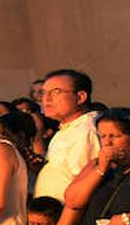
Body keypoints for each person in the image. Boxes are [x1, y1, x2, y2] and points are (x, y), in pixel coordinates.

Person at [35, 69, 100, 201]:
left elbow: (83, 185)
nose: (46, 99)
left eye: (56, 92)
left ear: (80, 97)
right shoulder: (67, 128)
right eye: (43, 93)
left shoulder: (86, 130)